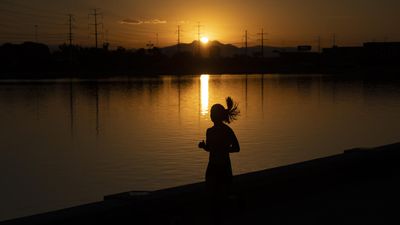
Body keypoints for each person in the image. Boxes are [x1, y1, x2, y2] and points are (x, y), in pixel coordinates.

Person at [198, 96, 240, 199]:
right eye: (211, 113)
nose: (211, 115)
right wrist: (204, 147)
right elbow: (210, 148)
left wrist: (223, 149)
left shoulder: (227, 131)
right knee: (212, 193)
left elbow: (237, 148)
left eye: (213, 113)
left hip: (224, 166)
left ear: (218, 116)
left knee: (223, 194)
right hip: (212, 166)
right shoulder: (209, 131)